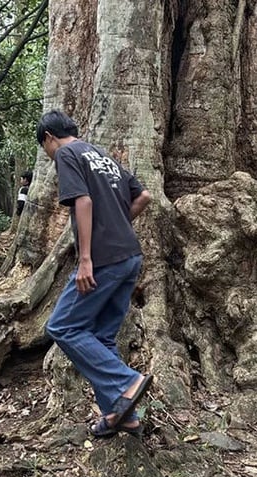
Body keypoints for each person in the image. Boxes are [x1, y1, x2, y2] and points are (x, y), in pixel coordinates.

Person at [37, 109, 153, 438]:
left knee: (62, 326)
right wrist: (117, 224)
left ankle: (127, 382)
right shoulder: (100, 154)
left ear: (49, 138)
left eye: (44, 148)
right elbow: (143, 196)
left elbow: (83, 202)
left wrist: (86, 258)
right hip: (129, 255)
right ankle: (120, 415)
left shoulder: (67, 153)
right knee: (102, 337)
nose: (48, 155)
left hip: (103, 260)